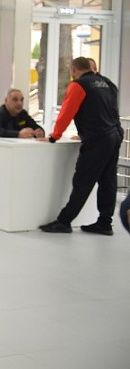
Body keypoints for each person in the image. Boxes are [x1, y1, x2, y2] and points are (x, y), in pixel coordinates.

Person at [39, 57, 122, 236]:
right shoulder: (108, 83)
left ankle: (64, 221)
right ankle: (104, 222)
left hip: (97, 140)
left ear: (74, 69)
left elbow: (67, 112)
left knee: (83, 181)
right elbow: (112, 112)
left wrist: (54, 136)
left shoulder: (79, 85)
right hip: (114, 135)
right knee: (108, 181)